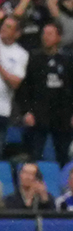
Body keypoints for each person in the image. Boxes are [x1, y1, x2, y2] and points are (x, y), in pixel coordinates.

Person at [19, 22, 73, 164]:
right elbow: (25, 88)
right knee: (35, 155)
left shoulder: (67, 60)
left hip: (63, 116)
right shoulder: (33, 59)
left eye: (50, 34)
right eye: (44, 34)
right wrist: (26, 111)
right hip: (38, 115)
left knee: (64, 155)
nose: (45, 37)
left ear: (58, 37)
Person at [0, 16, 29, 155]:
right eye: (4, 25)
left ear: (17, 34)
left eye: (9, 27)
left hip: (2, 110)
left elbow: (15, 83)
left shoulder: (21, 54)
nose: (4, 28)